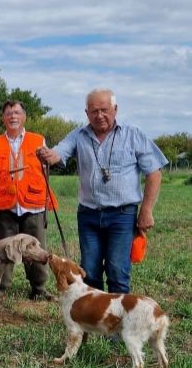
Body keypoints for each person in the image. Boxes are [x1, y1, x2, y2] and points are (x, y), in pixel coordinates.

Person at [37, 88, 167, 294]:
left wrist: (146, 210)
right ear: (86, 113)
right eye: (94, 111)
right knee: (90, 271)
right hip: (88, 214)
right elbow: (60, 151)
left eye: (104, 109)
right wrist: (50, 155)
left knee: (118, 271)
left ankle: (118, 322)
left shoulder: (133, 135)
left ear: (115, 109)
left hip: (122, 215)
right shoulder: (78, 135)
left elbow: (154, 172)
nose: (99, 115)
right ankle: (95, 319)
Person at [0, 100, 57, 301]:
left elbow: (47, 166)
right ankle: (0, 287)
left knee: (36, 248)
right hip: (3, 205)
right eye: (8, 113)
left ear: (24, 117)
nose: (13, 116)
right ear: (3, 118)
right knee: (3, 249)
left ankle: (39, 289)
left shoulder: (38, 140)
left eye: (17, 112)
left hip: (33, 204)